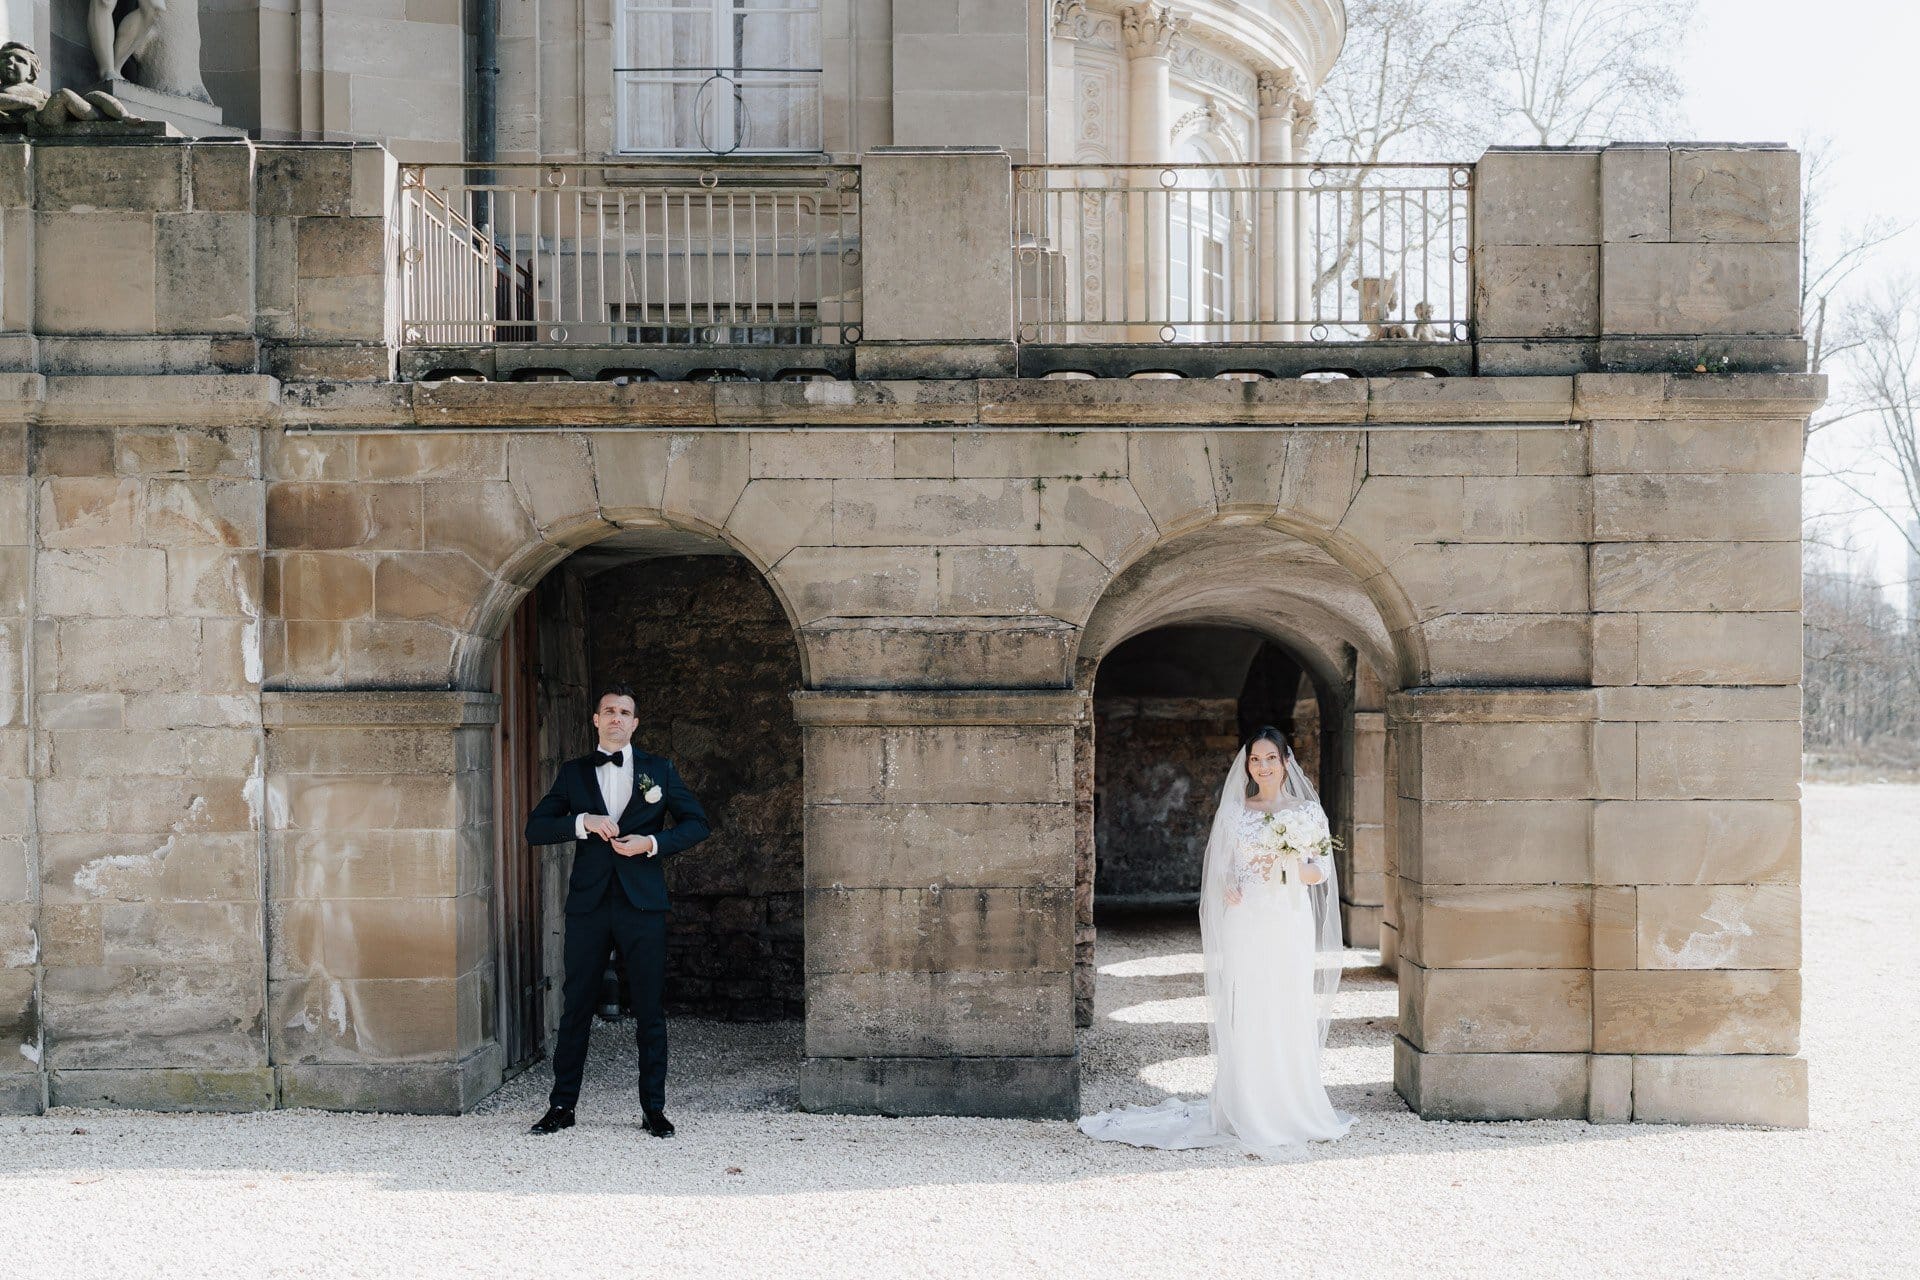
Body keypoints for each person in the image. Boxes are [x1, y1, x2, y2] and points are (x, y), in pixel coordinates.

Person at [1078, 726, 1351, 1154]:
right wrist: (1228, 886)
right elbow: (1221, 869)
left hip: (1288, 919)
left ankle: (1291, 1104)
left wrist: (1292, 864)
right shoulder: (1236, 811)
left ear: (1286, 762)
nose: (1262, 766)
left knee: (1288, 1003)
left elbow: (1320, 872)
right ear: (1248, 765)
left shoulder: (1307, 813)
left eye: (1270, 758)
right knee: (1248, 1005)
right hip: (1247, 920)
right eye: (1255, 759)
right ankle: (1245, 1106)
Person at [525, 686, 711, 1138]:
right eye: (608, 711)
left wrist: (651, 843)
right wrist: (582, 822)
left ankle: (653, 1110)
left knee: (649, 1009)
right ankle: (562, 1106)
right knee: (576, 1007)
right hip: (588, 906)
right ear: (596, 720)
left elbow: (697, 824)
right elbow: (535, 829)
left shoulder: (659, 770)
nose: (616, 718)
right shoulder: (573, 773)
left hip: (642, 905)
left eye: (624, 712)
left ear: (634, 723)